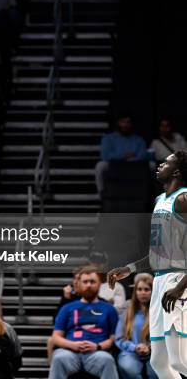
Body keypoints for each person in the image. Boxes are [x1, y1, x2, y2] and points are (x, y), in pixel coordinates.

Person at [108, 149, 187, 377]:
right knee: (160, 362)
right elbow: (157, 254)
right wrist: (129, 269)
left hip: (177, 280)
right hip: (161, 281)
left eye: (167, 163)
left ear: (178, 172)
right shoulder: (160, 200)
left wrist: (180, 287)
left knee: (180, 360)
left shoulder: (183, 199)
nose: (160, 165)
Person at [49, 266, 119, 379]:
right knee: (58, 358)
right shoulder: (67, 308)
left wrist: (98, 346)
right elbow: (56, 337)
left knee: (107, 359)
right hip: (70, 352)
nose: (88, 285)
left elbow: (114, 338)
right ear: (79, 284)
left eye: (92, 282)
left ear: (99, 284)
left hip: (96, 353)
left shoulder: (109, 309)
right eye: (85, 282)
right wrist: (73, 345)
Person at [115, 273, 158, 379]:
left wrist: (149, 348)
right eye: (139, 289)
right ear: (135, 291)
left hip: (155, 353)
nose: (142, 293)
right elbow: (119, 337)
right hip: (130, 351)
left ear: (152, 291)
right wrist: (134, 347)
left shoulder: (159, 310)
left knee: (155, 373)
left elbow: (164, 338)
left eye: (146, 289)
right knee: (130, 368)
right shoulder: (126, 308)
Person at [95, 113, 148, 195]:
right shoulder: (108, 138)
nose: (125, 125)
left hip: (133, 165)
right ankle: (101, 193)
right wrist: (123, 156)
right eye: (122, 122)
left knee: (151, 165)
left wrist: (131, 159)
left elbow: (143, 156)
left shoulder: (138, 139)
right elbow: (105, 156)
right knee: (100, 165)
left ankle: (149, 194)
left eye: (128, 122)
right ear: (118, 123)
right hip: (114, 164)